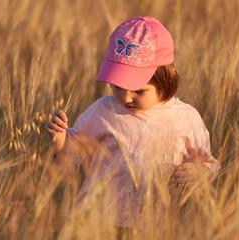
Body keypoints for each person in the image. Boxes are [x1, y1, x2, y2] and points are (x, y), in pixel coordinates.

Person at [45, 16, 220, 229]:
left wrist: (198, 173)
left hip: (153, 226)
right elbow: (72, 153)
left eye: (138, 90)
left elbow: (208, 163)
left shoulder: (186, 118)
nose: (126, 98)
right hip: (96, 222)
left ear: (167, 78)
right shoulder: (103, 110)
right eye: (117, 86)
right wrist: (60, 135)